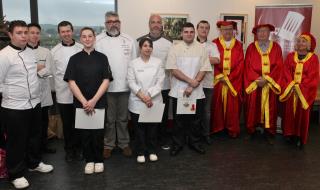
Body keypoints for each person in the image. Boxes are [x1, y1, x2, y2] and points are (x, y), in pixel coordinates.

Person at [0, 20, 53, 189]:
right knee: (16, 141)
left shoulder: (30, 52)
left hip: (34, 103)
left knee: (34, 136)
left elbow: (35, 72)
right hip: (14, 107)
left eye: (25, 32)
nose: (24, 36)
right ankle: (15, 174)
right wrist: (11, 95)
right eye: (19, 33)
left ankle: (34, 163)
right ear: (10, 34)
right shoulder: (4, 56)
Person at [64, 27, 113, 174]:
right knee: (85, 134)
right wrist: (85, 101)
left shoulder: (102, 58)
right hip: (81, 104)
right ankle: (89, 160)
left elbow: (106, 80)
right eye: (84, 36)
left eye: (90, 36)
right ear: (80, 39)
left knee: (98, 133)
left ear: (94, 38)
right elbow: (71, 82)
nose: (87, 39)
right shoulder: (74, 59)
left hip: (98, 102)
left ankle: (98, 160)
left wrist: (93, 100)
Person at [166, 22, 212, 156]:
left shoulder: (201, 48)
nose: (189, 34)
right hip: (179, 91)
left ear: (194, 33)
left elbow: (204, 69)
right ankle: (178, 144)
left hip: (196, 91)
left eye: (191, 32)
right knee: (178, 121)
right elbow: (173, 70)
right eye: (186, 32)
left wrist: (194, 84)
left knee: (196, 120)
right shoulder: (174, 48)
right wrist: (190, 82)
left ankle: (195, 143)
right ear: (181, 33)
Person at [96, 11, 137, 159]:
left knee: (123, 118)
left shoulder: (129, 40)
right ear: (105, 24)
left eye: (116, 21)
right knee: (109, 119)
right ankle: (108, 145)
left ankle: (124, 143)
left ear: (120, 23)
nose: (113, 24)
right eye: (110, 21)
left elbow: (134, 64)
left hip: (125, 87)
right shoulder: (98, 40)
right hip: (106, 88)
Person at [137, 14, 172, 150]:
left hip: (163, 86)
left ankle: (162, 139)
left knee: (162, 115)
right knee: (146, 114)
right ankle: (147, 140)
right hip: (144, 88)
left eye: (158, 22)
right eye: (153, 22)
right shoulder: (140, 41)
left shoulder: (169, 42)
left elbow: (171, 64)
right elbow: (136, 63)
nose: (156, 25)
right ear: (149, 24)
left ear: (161, 24)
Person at [244, 24, 283, 144]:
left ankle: (269, 132)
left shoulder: (276, 47)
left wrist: (267, 79)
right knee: (253, 107)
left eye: (265, 31)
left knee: (270, 108)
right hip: (255, 84)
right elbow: (247, 66)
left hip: (270, 84)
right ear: (256, 34)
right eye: (259, 31)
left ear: (269, 33)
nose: (262, 34)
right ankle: (252, 130)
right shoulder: (251, 47)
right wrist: (257, 79)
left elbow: (279, 66)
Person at [128, 38, 165, 163]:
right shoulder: (133, 63)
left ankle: (152, 151)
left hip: (154, 100)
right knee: (139, 129)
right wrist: (143, 96)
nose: (148, 48)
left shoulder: (158, 62)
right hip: (137, 100)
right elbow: (131, 82)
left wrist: (149, 95)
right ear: (140, 47)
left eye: (150, 46)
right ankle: (140, 152)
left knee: (152, 128)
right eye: (145, 46)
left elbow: (160, 82)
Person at [279, 33, 319, 148]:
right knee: (289, 113)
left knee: (302, 115)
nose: (301, 43)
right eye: (299, 41)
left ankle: (300, 137)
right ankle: (289, 134)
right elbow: (285, 72)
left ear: (308, 45)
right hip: (291, 91)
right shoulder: (291, 56)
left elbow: (313, 76)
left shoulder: (313, 58)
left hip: (304, 93)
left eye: (304, 41)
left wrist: (300, 87)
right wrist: (292, 85)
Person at [51, 21, 83, 161]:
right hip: (63, 94)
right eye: (63, 31)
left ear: (72, 31)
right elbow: (52, 73)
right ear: (59, 33)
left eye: (68, 31)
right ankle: (69, 150)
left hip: (81, 95)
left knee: (80, 123)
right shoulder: (54, 52)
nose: (66, 34)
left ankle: (80, 149)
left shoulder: (81, 48)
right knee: (67, 124)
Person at [211, 21, 243, 138]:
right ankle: (217, 128)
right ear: (220, 30)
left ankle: (232, 129)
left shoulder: (238, 45)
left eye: (230, 29)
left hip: (233, 82)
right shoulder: (214, 43)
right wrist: (220, 76)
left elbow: (240, 65)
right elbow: (211, 63)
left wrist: (229, 79)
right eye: (225, 29)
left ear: (233, 30)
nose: (227, 31)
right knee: (217, 104)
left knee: (232, 107)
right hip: (217, 81)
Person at [27, 23, 56, 154]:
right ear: (27, 34)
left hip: (44, 94)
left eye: (37, 33)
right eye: (32, 32)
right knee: (31, 125)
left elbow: (50, 73)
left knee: (44, 123)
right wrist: (38, 68)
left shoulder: (46, 52)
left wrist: (37, 69)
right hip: (28, 97)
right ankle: (32, 150)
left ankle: (44, 146)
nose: (34, 35)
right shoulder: (22, 52)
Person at [196, 20, 220, 144]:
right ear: (197, 29)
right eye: (201, 27)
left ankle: (206, 135)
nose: (204, 30)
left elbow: (216, 60)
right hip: (193, 83)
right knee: (192, 110)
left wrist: (200, 58)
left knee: (206, 111)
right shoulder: (190, 43)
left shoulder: (212, 45)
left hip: (207, 83)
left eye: (206, 28)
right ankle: (193, 135)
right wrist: (206, 59)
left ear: (208, 30)